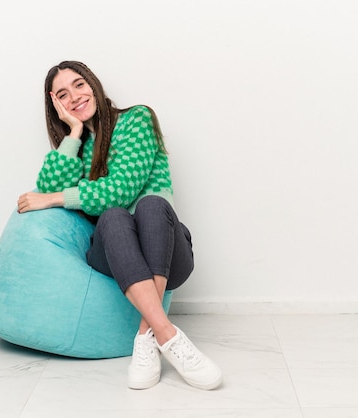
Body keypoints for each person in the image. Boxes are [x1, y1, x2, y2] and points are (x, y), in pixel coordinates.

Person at [17, 60, 222, 391]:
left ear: (94, 84)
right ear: (56, 106)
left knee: (151, 204)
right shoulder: (79, 149)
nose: (74, 97)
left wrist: (55, 198)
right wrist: (72, 133)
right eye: (62, 95)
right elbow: (48, 183)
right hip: (114, 256)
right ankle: (168, 336)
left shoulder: (137, 119)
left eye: (79, 85)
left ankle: (146, 335)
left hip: (167, 251)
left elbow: (120, 189)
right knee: (113, 218)